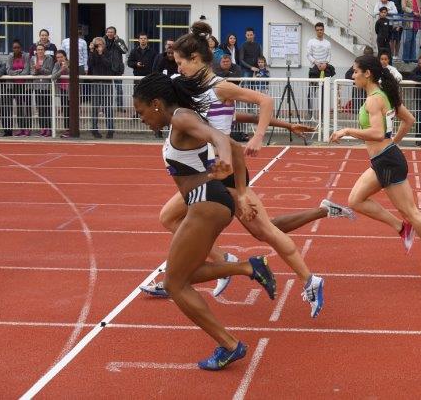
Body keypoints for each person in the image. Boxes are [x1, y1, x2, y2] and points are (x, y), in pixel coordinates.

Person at [140, 21, 352, 305]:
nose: (178, 69)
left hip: (225, 171)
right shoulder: (193, 92)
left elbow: (263, 101)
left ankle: (309, 280)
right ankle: (215, 263)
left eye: (181, 63)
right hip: (208, 172)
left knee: (265, 230)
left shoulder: (220, 86)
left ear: (196, 59)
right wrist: (286, 124)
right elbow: (234, 118)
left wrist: (259, 137)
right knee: (183, 219)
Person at [132, 72, 276, 369]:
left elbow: (221, 138)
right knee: (186, 276)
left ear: (156, 103)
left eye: (141, 112)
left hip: (205, 202)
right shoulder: (181, 119)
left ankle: (229, 345)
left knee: (174, 284)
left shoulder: (182, 117)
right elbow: (225, 142)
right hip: (207, 200)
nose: (142, 119)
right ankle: (249, 267)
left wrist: (223, 157)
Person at [329, 54, 421, 284]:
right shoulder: (384, 95)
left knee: (412, 212)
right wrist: (393, 143)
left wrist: (347, 131)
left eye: (356, 72)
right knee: (356, 200)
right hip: (384, 159)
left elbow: (377, 133)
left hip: (387, 162)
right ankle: (401, 228)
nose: (353, 76)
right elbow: (409, 120)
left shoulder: (374, 100)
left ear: (368, 74)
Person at [30, 42, 54, 136]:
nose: (40, 51)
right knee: (40, 108)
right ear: (36, 51)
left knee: (47, 107)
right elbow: (32, 72)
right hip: (37, 86)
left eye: (42, 49)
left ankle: (49, 128)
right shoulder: (33, 59)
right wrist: (36, 70)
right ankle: (42, 128)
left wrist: (40, 69)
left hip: (46, 86)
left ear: (44, 51)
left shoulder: (49, 58)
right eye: (38, 49)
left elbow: (49, 71)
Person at [51, 49, 70, 137]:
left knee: (72, 110)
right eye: (57, 57)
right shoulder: (56, 65)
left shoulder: (70, 63)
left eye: (61, 57)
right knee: (65, 109)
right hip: (62, 89)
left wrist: (67, 68)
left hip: (72, 90)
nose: (59, 59)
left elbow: (76, 74)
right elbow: (53, 76)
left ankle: (73, 129)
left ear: (65, 57)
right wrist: (61, 70)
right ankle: (67, 129)